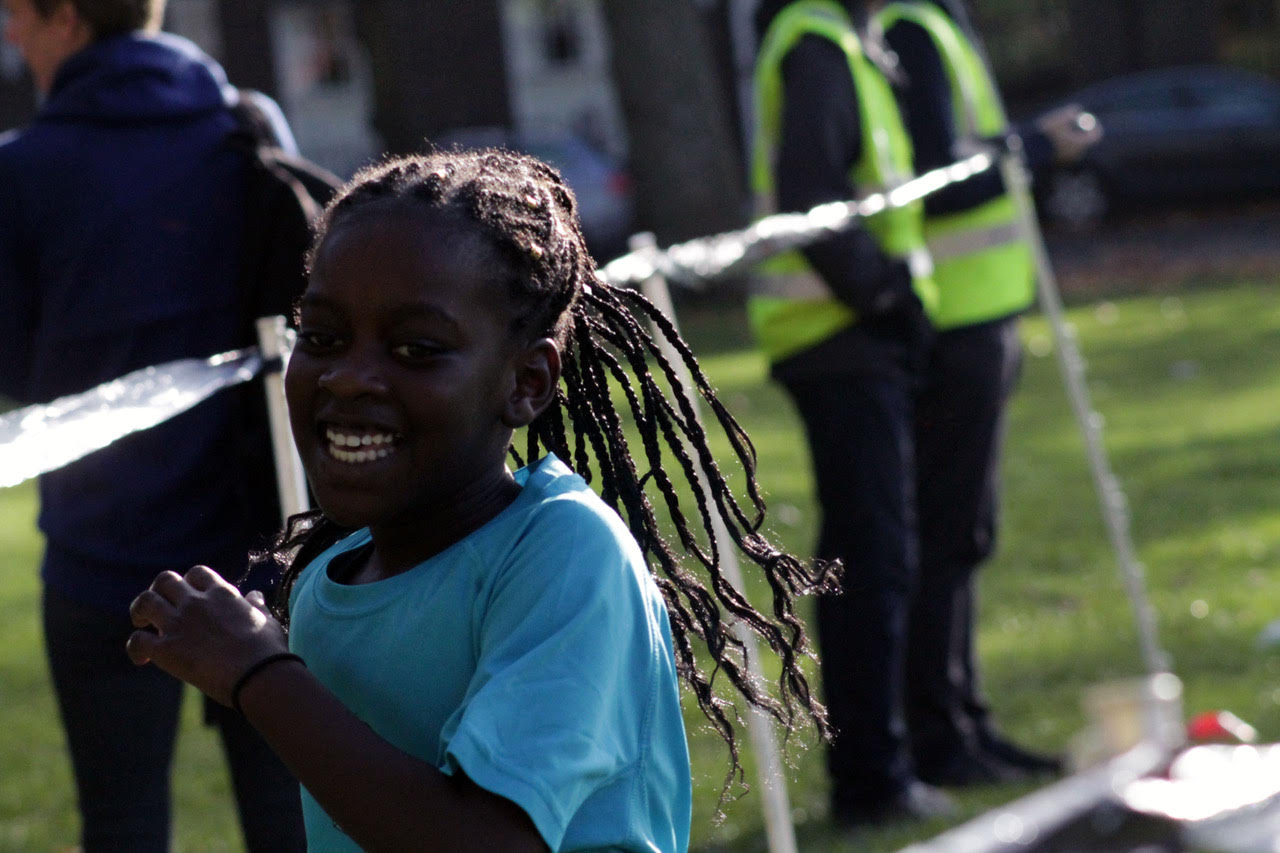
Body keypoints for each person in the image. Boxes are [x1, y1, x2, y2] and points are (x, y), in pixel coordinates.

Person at [125, 148, 841, 851]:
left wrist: (260, 674)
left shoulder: (564, 555)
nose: (349, 377)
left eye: (415, 349)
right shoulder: (321, 585)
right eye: (322, 336)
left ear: (527, 381)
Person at [0, 0, 306, 849]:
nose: (10, 34)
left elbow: (18, 373)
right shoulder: (246, 125)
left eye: (17, 13)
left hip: (101, 562)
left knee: (123, 821)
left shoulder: (21, 171)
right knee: (287, 815)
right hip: (257, 556)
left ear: (65, 16)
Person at [878, 0, 1100, 787]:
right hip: (956, 319)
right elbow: (941, 183)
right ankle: (940, 734)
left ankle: (963, 721)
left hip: (983, 314)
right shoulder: (912, 27)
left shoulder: (936, 22)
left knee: (966, 530)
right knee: (947, 532)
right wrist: (1040, 147)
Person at [750, 0, 955, 829]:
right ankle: (872, 780)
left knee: (875, 555)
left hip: (852, 336)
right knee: (872, 559)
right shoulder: (818, 43)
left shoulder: (841, 43)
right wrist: (881, 292)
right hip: (839, 335)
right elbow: (812, 194)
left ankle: (879, 766)